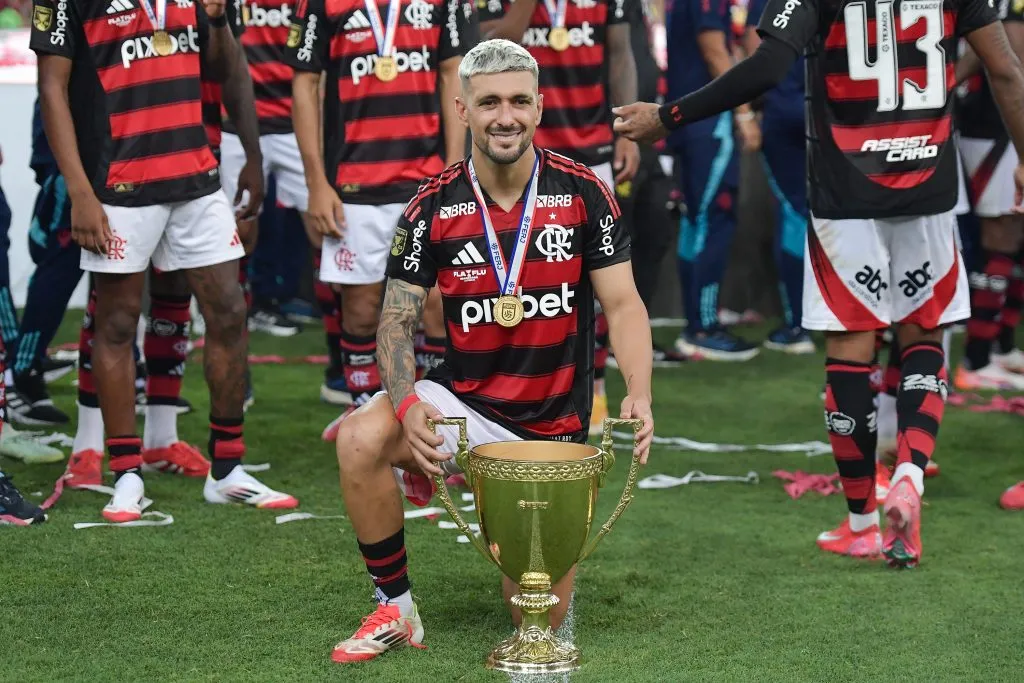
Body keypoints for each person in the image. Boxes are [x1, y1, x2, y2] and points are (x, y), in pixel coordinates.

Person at [614, 0, 1024, 567]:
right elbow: (1004, 68)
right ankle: (908, 474)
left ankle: (861, 523)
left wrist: (668, 116)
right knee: (922, 334)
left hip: (846, 193)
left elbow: (765, 68)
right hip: (928, 187)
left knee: (851, 352)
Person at [327, 39, 654, 663]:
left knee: (537, 611)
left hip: (551, 424)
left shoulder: (584, 193)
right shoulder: (431, 207)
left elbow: (624, 306)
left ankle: (486, 509)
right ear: (463, 110)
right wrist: (403, 406)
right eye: (490, 103)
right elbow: (395, 323)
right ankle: (396, 606)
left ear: (539, 108)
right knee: (359, 437)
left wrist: (638, 392)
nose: (505, 116)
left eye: (519, 101)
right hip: (465, 402)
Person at [32, 0, 297, 520]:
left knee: (229, 312)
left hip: (196, 179)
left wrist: (218, 19)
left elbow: (225, 68)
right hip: (119, 184)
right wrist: (81, 191)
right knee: (115, 322)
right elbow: (51, 87)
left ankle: (227, 470)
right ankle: (127, 473)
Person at [286, 0, 478, 418]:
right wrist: (316, 183)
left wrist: (452, 170)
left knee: (436, 307)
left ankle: (436, 421)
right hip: (354, 185)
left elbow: (453, 74)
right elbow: (305, 86)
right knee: (360, 311)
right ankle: (366, 421)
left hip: (426, 182)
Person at [476, 0, 641, 432]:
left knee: (599, 278)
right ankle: (509, 394)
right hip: (519, 156)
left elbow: (620, 52)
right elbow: (486, 54)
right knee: (518, 280)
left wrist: (624, 131)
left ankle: (596, 385)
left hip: (593, 152)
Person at [661, 0, 762, 361]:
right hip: (708, 122)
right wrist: (745, 113)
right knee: (711, 221)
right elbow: (715, 52)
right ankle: (702, 327)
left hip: (691, 119)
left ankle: (698, 321)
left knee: (696, 222)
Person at [738, 0, 813, 354]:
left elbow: (757, 55)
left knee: (795, 212)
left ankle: (799, 323)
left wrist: (749, 113)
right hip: (832, 113)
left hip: (787, 113)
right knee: (835, 214)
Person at [954, 16, 1024, 391]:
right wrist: (948, 84)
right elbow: (1011, 51)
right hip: (998, 123)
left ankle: (1001, 346)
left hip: (1002, 122)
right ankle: (976, 359)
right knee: (1002, 230)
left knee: (1015, 235)